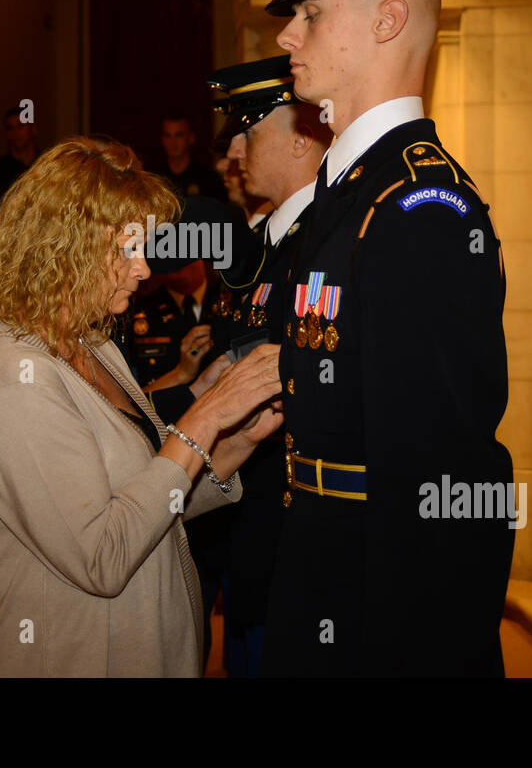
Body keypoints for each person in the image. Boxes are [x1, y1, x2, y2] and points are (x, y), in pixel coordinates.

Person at [258, 0, 514, 676]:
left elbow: (438, 484)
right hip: (325, 581)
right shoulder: (352, 191)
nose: (285, 35)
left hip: (379, 624)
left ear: (387, 19)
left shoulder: (417, 208)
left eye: (310, 12)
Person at [0, 138, 283, 676]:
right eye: (129, 250)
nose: (145, 270)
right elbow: (102, 555)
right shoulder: (10, 377)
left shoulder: (92, 344)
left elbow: (147, 509)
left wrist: (238, 439)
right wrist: (205, 417)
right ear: (68, 247)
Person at [204, 54, 328, 676]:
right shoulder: (257, 244)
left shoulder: (326, 238)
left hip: (292, 531)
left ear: (304, 139)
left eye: (250, 130)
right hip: (241, 518)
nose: (234, 149)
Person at [0, 106, 39, 218]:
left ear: (33, 129)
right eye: (10, 128)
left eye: (21, 126)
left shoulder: (46, 165)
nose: (16, 133)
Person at [155, 112, 226, 200]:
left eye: (179, 135)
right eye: (168, 136)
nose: (172, 142)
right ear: (162, 140)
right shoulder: (155, 180)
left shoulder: (208, 179)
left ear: (191, 138)